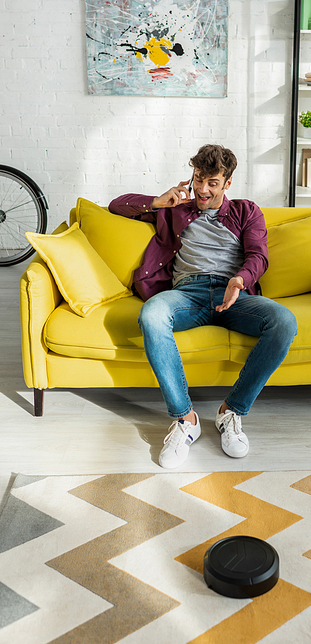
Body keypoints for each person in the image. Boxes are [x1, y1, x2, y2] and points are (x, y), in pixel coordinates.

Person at [109, 144, 297, 468]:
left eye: (212, 182)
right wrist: (157, 202)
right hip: (188, 294)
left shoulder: (246, 211)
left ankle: (231, 412)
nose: (202, 189)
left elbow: (258, 255)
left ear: (228, 182)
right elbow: (116, 205)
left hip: (233, 295)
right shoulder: (176, 210)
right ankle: (185, 420)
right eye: (198, 179)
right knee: (152, 315)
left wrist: (239, 280)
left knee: (284, 322)